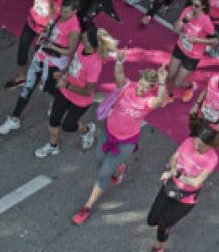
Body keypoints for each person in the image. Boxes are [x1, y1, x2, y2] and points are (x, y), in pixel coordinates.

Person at [72, 54, 169, 226]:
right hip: (108, 133)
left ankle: (87, 207)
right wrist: (119, 61)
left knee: (103, 174)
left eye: (145, 87)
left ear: (150, 88)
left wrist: (162, 82)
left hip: (126, 142)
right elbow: (118, 77)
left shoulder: (148, 101)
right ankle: (118, 168)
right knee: (99, 163)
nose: (140, 89)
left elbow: (160, 101)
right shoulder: (128, 87)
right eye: (140, 84)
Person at [0, 0, 81, 135]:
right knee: (28, 87)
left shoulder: (74, 30)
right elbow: (49, 26)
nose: (63, 13)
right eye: (62, 10)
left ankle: (55, 102)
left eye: (66, 12)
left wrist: (52, 46)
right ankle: (14, 119)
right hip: (41, 56)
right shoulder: (59, 14)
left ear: (74, 11)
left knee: (49, 89)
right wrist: (44, 33)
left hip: (55, 63)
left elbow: (70, 51)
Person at [33, 26, 116, 158]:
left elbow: (88, 91)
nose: (82, 34)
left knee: (68, 126)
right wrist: (63, 72)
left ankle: (87, 130)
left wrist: (67, 84)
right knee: (54, 118)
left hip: (80, 101)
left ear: (90, 44)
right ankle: (52, 146)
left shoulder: (95, 64)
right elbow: (73, 61)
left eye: (85, 35)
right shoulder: (81, 47)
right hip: (65, 92)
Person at [146, 128, 219, 252]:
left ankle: (159, 246)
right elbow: (174, 157)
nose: (196, 147)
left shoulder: (212, 158)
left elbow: (196, 182)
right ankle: (162, 227)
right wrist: (173, 168)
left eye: (201, 146)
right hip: (170, 186)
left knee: (163, 226)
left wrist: (177, 175)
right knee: (151, 220)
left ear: (210, 145)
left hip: (186, 199)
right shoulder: (188, 142)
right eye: (196, 142)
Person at [6, 0, 67, 90]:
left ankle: (35, 78)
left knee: (38, 55)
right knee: (22, 47)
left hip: (44, 29)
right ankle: (22, 76)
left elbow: (55, 15)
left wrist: (51, 1)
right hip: (31, 20)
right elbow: (37, 0)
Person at [166, 0, 217, 102]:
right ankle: (169, 95)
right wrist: (184, 21)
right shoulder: (187, 11)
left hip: (193, 55)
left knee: (178, 82)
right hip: (180, 47)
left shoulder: (206, 21)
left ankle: (190, 87)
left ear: (203, 6)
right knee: (170, 76)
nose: (193, 7)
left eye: (197, 6)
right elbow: (175, 29)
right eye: (192, 4)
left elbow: (215, 41)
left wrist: (197, 40)